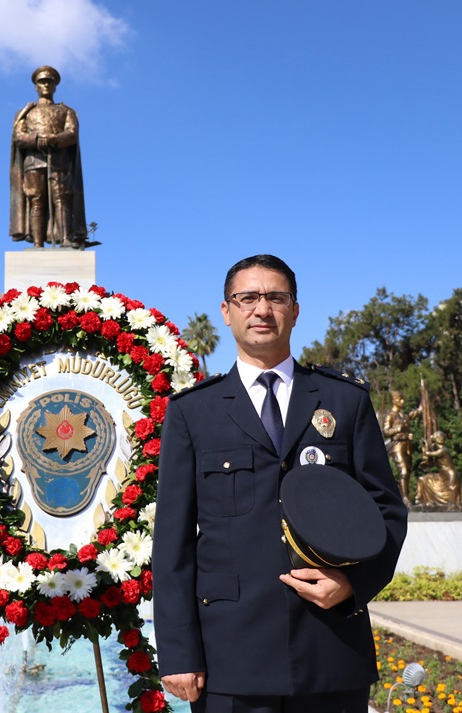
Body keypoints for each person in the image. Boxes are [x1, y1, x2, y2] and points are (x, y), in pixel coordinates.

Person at [152, 255, 407, 713]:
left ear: (295, 309)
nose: (262, 309)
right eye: (247, 297)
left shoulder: (344, 401)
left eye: (275, 297)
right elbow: (172, 543)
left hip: (330, 648)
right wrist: (178, 651)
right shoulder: (193, 413)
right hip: (231, 655)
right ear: (227, 311)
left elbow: (387, 510)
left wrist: (353, 583)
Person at [9, 65, 87, 249]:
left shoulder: (66, 111)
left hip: (59, 161)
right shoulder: (26, 112)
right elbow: (19, 137)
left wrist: (53, 139)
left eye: (49, 82)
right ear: (35, 86)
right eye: (42, 82)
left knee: (61, 198)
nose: (45, 85)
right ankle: (38, 243)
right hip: (33, 162)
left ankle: (65, 239)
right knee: (36, 199)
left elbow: (72, 133)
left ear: (55, 86)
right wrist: (37, 140)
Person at [382, 390, 421, 505]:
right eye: (400, 399)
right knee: (403, 470)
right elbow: (386, 431)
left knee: (408, 471)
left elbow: (416, 412)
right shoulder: (390, 416)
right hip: (397, 446)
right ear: (394, 401)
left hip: (407, 446)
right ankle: (404, 498)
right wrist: (398, 429)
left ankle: (405, 494)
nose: (403, 401)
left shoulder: (403, 415)